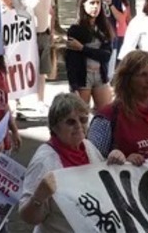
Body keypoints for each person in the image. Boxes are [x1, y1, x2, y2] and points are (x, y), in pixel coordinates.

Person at [19, 94, 104, 232]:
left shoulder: (88, 147)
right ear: (55, 127)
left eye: (83, 120)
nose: (79, 126)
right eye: (70, 122)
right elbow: (27, 217)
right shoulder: (44, 161)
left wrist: (115, 161)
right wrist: (38, 197)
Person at [64, 0, 113, 109]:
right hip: (83, 77)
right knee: (82, 113)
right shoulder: (75, 30)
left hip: (100, 75)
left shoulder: (104, 28)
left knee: (106, 113)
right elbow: (71, 61)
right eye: (92, 3)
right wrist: (73, 85)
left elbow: (106, 56)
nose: (95, 7)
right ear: (83, 5)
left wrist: (82, 48)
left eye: (98, 3)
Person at [21, 0, 54, 115]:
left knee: (42, 71)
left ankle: (40, 101)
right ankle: (17, 99)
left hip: (43, 34)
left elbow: (51, 11)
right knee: (24, 68)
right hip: (28, 37)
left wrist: (51, 32)